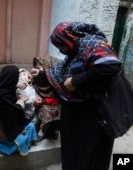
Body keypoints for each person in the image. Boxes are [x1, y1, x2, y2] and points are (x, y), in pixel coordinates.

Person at [31, 22, 122, 170]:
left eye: (62, 46)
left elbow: (111, 65)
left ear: (69, 39)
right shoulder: (75, 51)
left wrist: (76, 80)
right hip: (75, 108)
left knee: (87, 150)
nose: (61, 51)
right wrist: (41, 73)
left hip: (92, 111)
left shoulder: (93, 44)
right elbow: (61, 71)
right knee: (72, 147)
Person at [0, 65, 38, 156]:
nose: (18, 80)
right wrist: (21, 101)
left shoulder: (10, 89)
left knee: (31, 126)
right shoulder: (0, 95)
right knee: (21, 141)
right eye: (17, 77)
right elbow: (10, 115)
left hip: (12, 124)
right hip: (2, 128)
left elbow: (14, 110)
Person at [31, 57, 61, 141]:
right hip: (38, 102)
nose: (35, 69)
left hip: (52, 105)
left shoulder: (53, 81)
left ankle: (43, 131)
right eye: (35, 67)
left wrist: (43, 101)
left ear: (46, 68)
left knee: (46, 111)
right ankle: (35, 128)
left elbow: (57, 99)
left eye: (38, 67)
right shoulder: (35, 78)